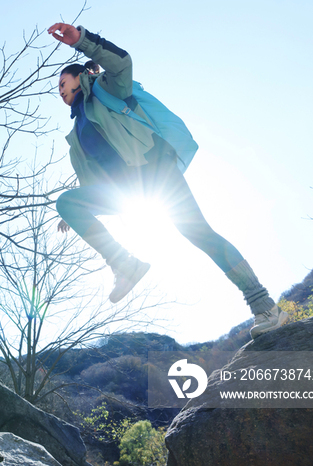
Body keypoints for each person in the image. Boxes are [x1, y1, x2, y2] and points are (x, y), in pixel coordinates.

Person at [47, 22, 288, 338]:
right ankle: (126, 265)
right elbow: (94, 177)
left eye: (62, 82)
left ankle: (266, 307)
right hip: (125, 192)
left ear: (80, 77)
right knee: (65, 202)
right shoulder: (76, 132)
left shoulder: (106, 89)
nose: (60, 90)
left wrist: (83, 40)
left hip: (154, 172)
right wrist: (75, 212)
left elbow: (123, 62)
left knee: (198, 232)